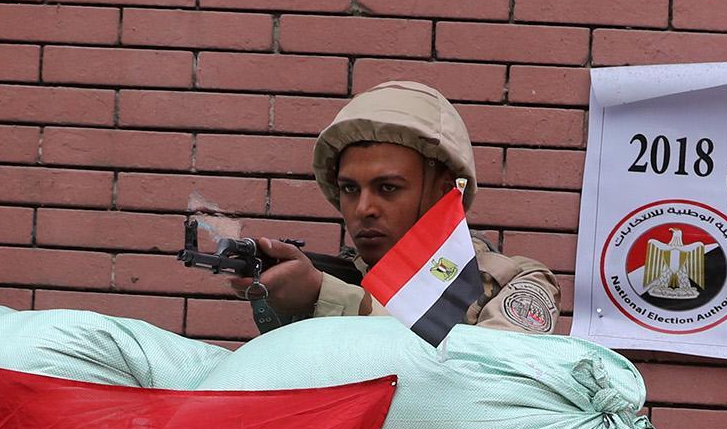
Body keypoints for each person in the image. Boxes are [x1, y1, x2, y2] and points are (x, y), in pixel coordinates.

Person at [228, 80, 560, 334]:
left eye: (388, 188)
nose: (363, 209)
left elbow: (486, 378)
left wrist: (325, 297)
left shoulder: (514, 282)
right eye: (349, 189)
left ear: (446, 192)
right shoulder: (337, 276)